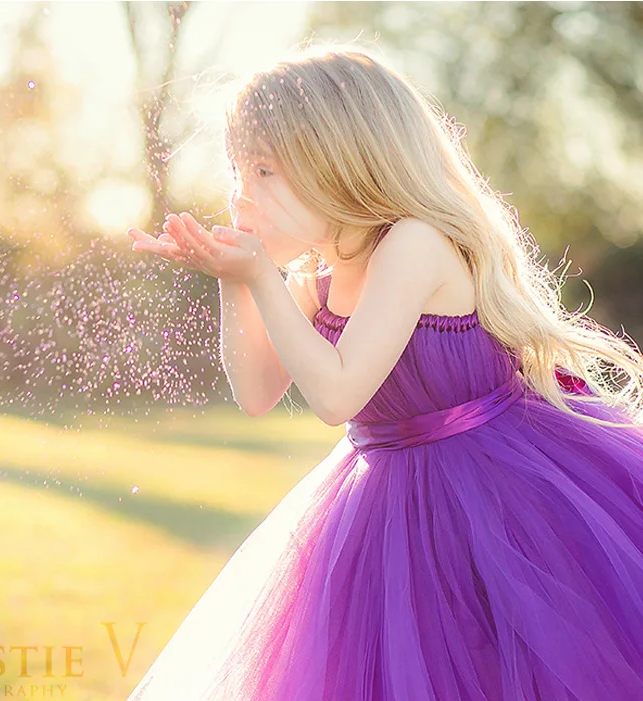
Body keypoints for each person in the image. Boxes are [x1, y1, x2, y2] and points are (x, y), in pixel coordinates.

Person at [125, 44, 643, 700]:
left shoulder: (415, 243)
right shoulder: (320, 273)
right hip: (384, 505)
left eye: (264, 170)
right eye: (236, 169)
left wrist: (259, 272)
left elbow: (337, 392)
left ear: (341, 159)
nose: (239, 192)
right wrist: (236, 280)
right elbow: (256, 393)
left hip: (496, 497)